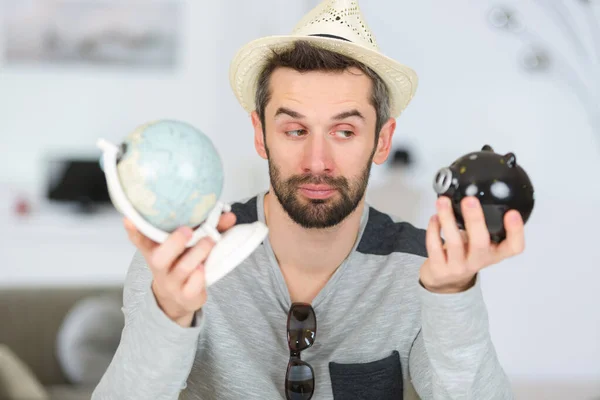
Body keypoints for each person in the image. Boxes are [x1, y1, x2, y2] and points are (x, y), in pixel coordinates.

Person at [92, 1, 525, 399]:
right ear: (261, 135)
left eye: (345, 132)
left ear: (382, 140)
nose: (317, 162)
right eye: (295, 130)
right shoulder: (183, 263)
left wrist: (452, 295)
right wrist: (169, 314)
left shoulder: (422, 269)